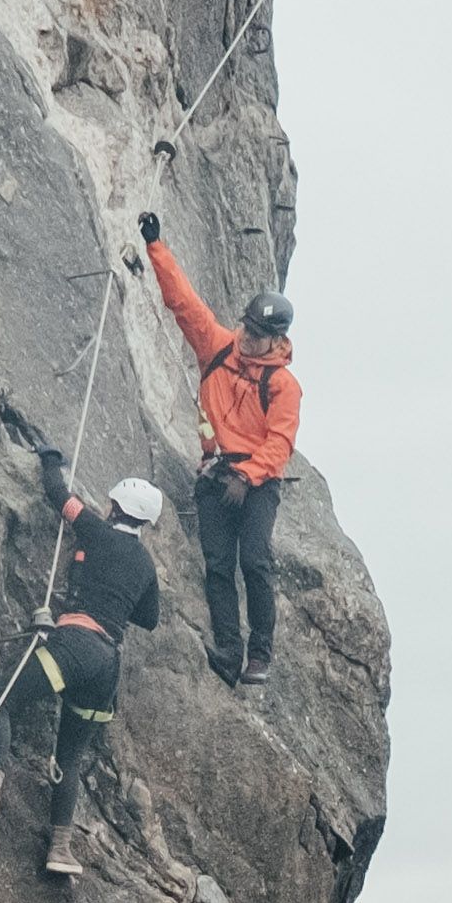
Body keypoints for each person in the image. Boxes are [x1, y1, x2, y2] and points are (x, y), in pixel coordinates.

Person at [136, 214, 296, 688]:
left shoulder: (284, 386)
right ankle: (229, 650)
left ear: (277, 340)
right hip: (215, 475)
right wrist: (156, 246)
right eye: (246, 326)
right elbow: (184, 303)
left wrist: (248, 479)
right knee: (219, 566)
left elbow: (280, 442)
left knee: (256, 561)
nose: (246, 335)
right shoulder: (219, 347)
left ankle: (260, 654)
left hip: (257, 483)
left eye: (256, 332)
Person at [0, 464, 159, 879]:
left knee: (2, 701)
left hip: (76, 644)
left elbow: (59, 496)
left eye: (110, 503)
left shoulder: (98, 532)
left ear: (116, 508)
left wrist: (50, 461)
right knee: (69, 756)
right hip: (107, 668)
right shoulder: (144, 563)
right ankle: (61, 848)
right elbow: (150, 617)